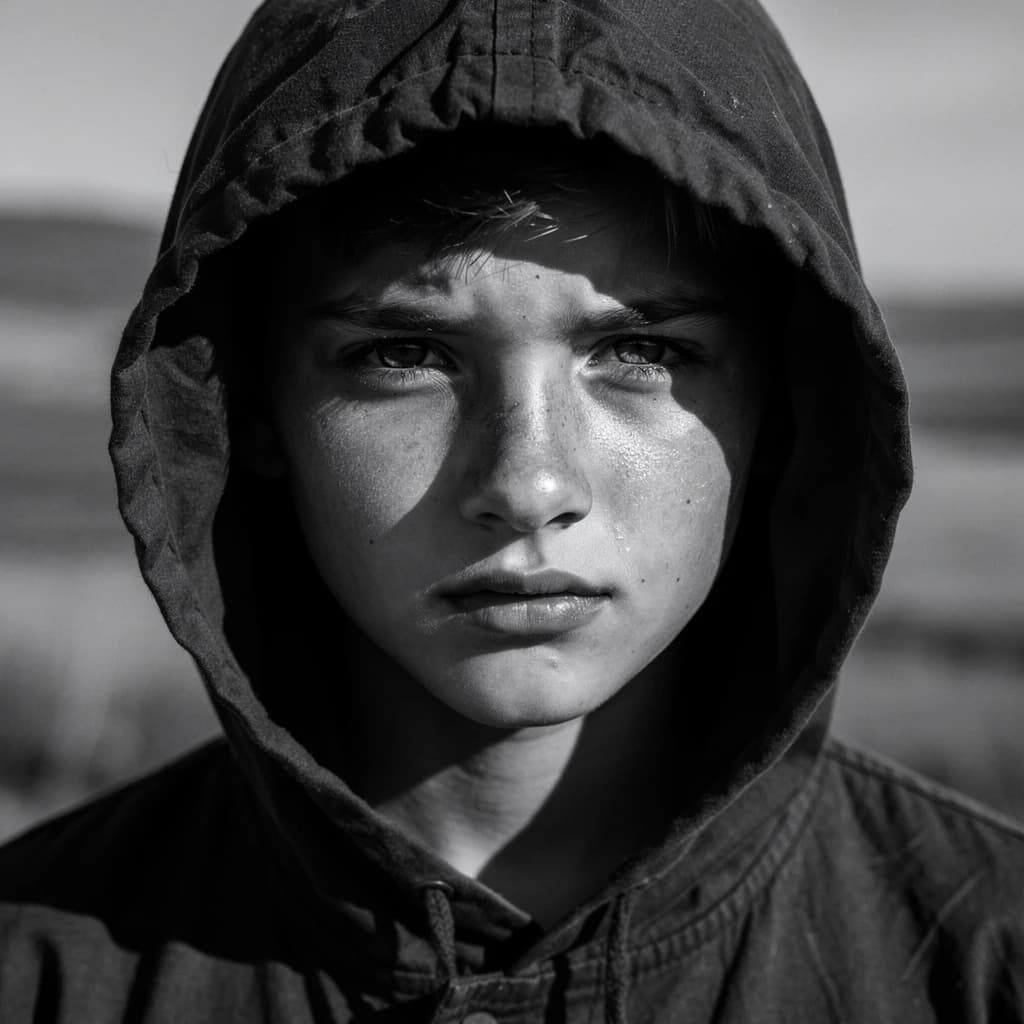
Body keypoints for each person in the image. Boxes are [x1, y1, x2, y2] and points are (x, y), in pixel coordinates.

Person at [1, 0, 1021, 1019]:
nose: (528, 485)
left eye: (642, 353)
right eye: (405, 355)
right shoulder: (37, 966)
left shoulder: (984, 961)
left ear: (781, 406)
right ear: (255, 409)